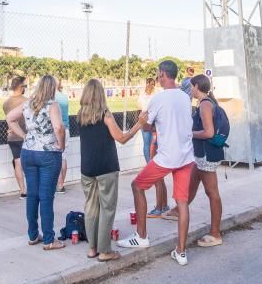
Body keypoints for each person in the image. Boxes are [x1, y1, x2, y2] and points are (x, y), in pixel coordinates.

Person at [118, 60, 195, 267]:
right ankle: (181, 251)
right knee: (182, 203)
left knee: (137, 186)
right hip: (186, 157)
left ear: (162, 74)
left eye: (158, 74)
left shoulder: (158, 98)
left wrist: (143, 124)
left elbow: (146, 127)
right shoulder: (185, 97)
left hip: (167, 157)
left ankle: (141, 236)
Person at [79, 79, 144, 262]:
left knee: (91, 209)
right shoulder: (105, 115)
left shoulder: (81, 114)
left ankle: (92, 248)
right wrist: (138, 125)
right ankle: (105, 251)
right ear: (101, 95)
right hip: (106, 167)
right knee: (107, 209)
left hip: (87, 168)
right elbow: (121, 138)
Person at [6, 75, 66, 251]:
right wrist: (60, 145)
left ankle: (33, 235)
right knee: (46, 196)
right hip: (48, 153)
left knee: (32, 194)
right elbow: (58, 127)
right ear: (52, 88)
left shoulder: (29, 103)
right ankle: (49, 239)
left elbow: (10, 118)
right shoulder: (52, 105)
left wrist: (24, 136)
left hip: (28, 152)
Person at [184, 74, 224, 247]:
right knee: (191, 184)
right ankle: (179, 210)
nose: (190, 90)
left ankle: (215, 234)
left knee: (212, 193)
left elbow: (208, 132)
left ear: (196, 86)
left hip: (206, 154)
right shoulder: (207, 102)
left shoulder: (205, 105)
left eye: (191, 86)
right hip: (202, 154)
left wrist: (190, 134)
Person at [138, 77, 170, 217]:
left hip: (157, 142)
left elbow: (146, 127)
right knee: (160, 178)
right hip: (160, 141)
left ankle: (158, 207)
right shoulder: (162, 101)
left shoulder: (155, 102)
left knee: (157, 178)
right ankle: (163, 205)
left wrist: (143, 121)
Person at [2, 76, 28, 198]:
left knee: (18, 162)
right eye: (25, 86)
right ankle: (31, 188)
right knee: (29, 163)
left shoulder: (6, 103)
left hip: (12, 136)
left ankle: (23, 191)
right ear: (21, 87)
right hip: (26, 135)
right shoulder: (27, 101)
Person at [55, 79, 71, 193]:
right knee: (63, 157)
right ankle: (61, 184)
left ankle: (58, 185)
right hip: (66, 128)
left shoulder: (51, 98)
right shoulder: (64, 97)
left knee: (56, 158)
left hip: (57, 130)